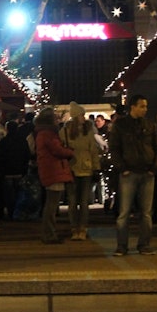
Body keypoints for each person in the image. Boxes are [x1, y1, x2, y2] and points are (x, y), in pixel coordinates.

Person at [108, 95, 157, 256]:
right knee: (125, 212)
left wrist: (154, 167)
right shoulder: (121, 125)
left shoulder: (149, 125)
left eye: (145, 106)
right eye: (142, 106)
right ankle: (122, 245)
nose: (145, 109)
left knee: (145, 212)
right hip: (129, 172)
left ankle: (143, 244)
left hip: (146, 171)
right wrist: (122, 168)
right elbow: (114, 148)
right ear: (133, 107)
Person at [59, 102, 100, 241]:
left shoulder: (88, 130)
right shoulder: (65, 132)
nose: (84, 117)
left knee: (83, 202)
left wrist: (96, 167)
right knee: (72, 202)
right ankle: (74, 228)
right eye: (82, 115)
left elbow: (93, 150)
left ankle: (82, 227)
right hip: (71, 169)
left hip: (86, 169)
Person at [33, 108, 74, 244]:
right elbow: (57, 150)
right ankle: (49, 234)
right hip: (54, 170)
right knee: (51, 205)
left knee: (51, 204)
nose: (57, 120)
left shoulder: (42, 133)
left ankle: (49, 233)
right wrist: (70, 152)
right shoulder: (48, 134)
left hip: (50, 170)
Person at [0, 120, 31, 221]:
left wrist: (1, 170)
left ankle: (11, 212)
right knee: (19, 193)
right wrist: (24, 168)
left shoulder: (3, 142)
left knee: (8, 194)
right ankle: (18, 212)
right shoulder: (22, 141)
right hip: (19, 171)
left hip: (7, 172)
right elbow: (27, 155)